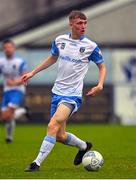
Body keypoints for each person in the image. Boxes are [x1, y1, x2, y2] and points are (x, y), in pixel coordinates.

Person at [21, 10, 106, 172]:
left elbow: (101, 66)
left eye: (85, 23)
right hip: (57, 92)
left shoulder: (90, 46)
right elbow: (53, 57)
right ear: (71, 24)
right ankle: (84, 146)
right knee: (59, 135)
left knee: (52, 125)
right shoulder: (60, 40)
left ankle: (36, 163)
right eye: (80, 23)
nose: (83, 26)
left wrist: (100, 84)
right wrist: (32, 72)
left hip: (72, 95)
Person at [0, 39, 29, 143]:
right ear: (3, 49)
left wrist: (15, 82)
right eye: (6, 48)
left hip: (17, 90)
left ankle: (9, 137)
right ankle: (23, 110)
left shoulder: (20, 62)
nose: (8, 49)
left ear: (13, 48)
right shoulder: (1, 62)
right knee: (4, 117)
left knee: (9, 114)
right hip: (7, 91)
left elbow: (25, 76)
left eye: (10, 47)